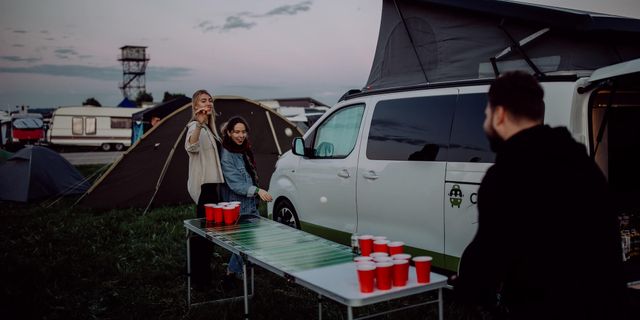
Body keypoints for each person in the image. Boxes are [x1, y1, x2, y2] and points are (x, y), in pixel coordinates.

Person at [454, 71, 627, 319]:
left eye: (486, 116)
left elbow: (488, 257)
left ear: (499, 115)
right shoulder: (582, 165)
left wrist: (468, 286)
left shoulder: (506, 175)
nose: (485, 124)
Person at [219, 116, 272, 280]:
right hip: (238, 204)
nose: (240, 136)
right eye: (236, 132)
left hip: (248, 203)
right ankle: (234, 271)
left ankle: (236, 270)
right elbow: (235, 183)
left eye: (243, 132)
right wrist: (257, 190)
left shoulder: (243, 149)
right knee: (248, 239)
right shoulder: (227, 153)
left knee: (249, 238)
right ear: (229, 132)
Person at [184, 89, 224, 288]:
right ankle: (200, 281)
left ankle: (202, 275)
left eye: (210, 100)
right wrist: (199, 123)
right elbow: (191, 147)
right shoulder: (194, 126)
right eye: (203, 100)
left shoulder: (210, 129)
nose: (208, 103)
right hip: (204, 187)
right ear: (195, 106)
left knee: (208, 233)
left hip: (213, 185)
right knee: (203, 235)